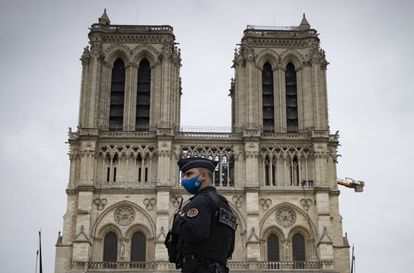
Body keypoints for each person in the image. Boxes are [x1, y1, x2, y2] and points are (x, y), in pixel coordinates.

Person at [165, 157, 237, 273]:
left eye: (188, 174)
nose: (183, 180)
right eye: (183, 175)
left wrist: (178, 220)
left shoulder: (201, 201)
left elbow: (194, 232)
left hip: (199, 268)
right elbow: (230, 248)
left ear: (203, 176)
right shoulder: (224, 205)